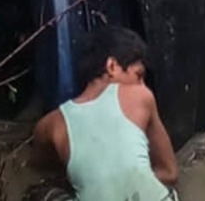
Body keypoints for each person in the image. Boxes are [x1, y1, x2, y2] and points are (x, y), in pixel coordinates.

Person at [30, 25, 179, 201]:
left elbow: (41, 165)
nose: (142, 85)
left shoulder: (50, 125)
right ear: (112, 66)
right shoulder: (141, 95)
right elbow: (169, 173)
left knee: (41, 193)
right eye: (139, 76)